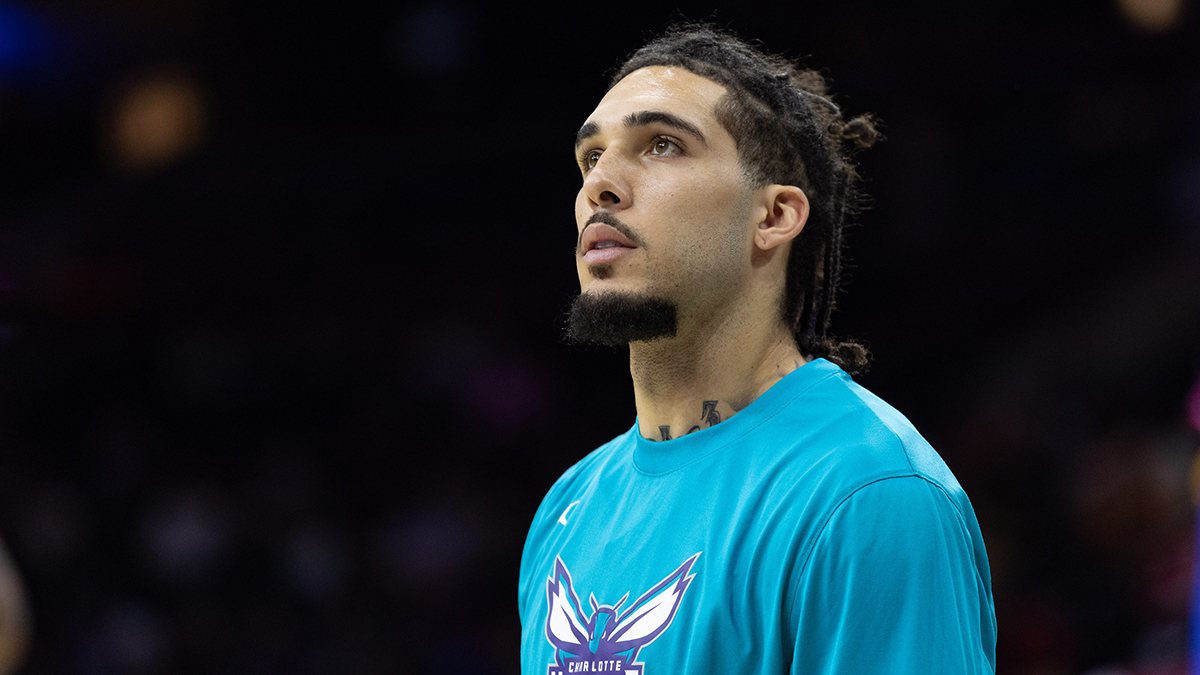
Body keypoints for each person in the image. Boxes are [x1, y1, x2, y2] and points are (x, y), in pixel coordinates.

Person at [518, 24, 996, 674]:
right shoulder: (567, 509)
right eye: (591, 157)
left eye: (661, 144)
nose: (600, 184)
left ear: (773, 216)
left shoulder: (867, 492)